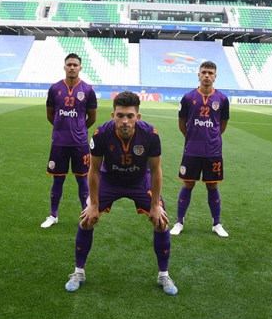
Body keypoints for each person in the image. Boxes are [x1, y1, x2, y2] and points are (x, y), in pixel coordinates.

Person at [64, 91, 177, 296]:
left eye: (130, 116)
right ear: (113, 115)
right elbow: (94, 170)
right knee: (86, 219)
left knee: (161, 222)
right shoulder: (101, 134)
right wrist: (94, 204)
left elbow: (156, 170)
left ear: (138, 117)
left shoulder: (151, 134)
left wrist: (155, 205)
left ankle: (164, 275)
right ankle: (78, 272)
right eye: (120, 115)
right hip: (110, 180)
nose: (125, 121)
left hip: (139, 181)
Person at [171, 61, 230, 238]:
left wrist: (212, 137)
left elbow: (222, 124)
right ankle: (179, 222)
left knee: (212, 185)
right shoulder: (188, 98)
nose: (207, 75)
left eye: (210, 73)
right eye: (204, 72)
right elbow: (182, 123)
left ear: (215, 76)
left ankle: (216, 223)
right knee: (188, 184)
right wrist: (192, 138)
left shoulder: (222, 99)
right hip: (192, 150)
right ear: (198, 74)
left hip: (213, 151)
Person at [41, 53, 97, 228]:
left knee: (82, 181)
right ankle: (53, 215)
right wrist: (61, 128)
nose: (72, 67)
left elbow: (92, 118)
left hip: (80, 143)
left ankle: (85, 216)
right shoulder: (54, 88)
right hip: (59, 143)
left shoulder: (87, 89)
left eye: (75, 65)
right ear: (64, 67)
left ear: (80, 67)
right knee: (58, 180)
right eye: (69, 64)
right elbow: (50, 114)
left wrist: (79, 129)